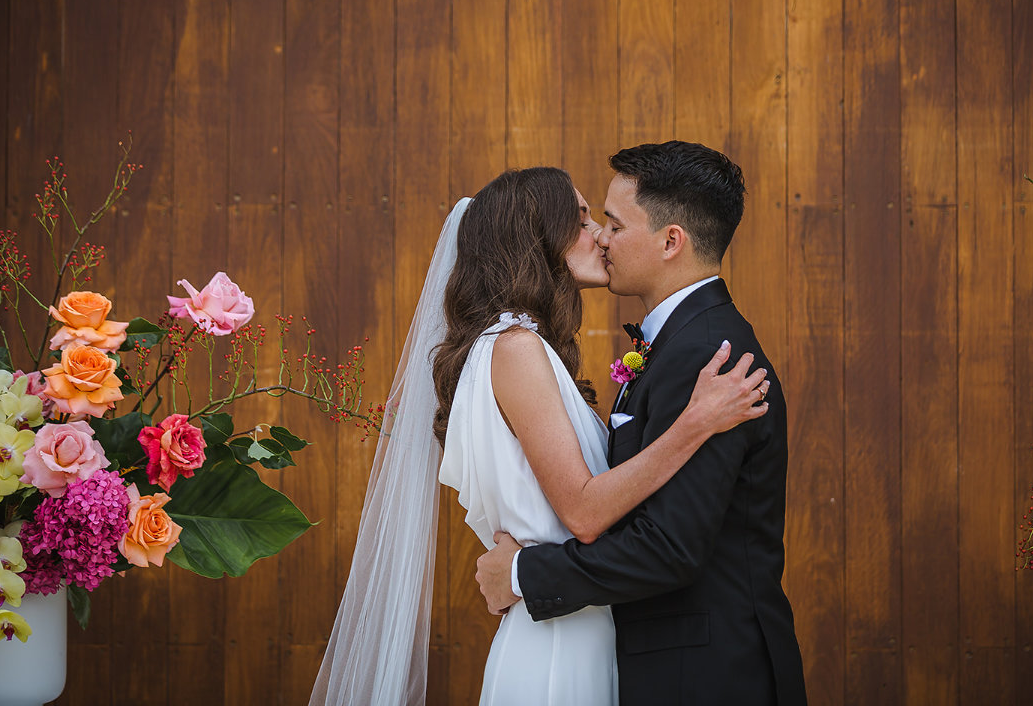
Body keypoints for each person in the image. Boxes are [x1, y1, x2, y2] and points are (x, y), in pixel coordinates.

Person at [309, 166, 770, 706]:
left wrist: (520, 564)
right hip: (558, 646)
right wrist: (694, 424)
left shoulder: (521, 346)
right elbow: (584, 511)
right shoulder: (514, 346)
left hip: (576, 622)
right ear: (537, 240)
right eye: (580, 220)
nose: (599, 233)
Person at [475, 142, 809, 705]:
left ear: (671, 241)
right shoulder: (681, 344)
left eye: (612, 222)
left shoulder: (706, 355)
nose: (601, 238)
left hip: (705, 677)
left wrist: (523, 575)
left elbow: (668, 547)